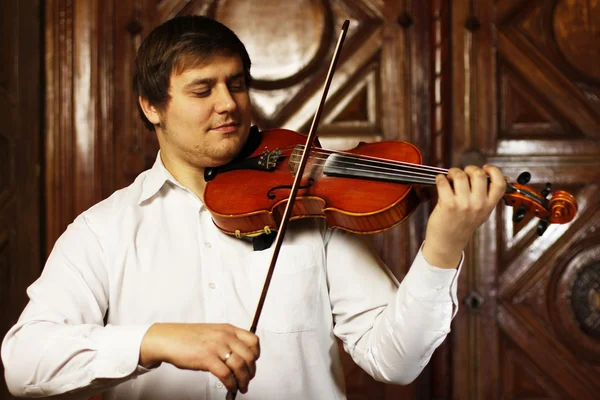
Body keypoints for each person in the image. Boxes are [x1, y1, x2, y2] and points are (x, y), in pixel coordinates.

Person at [1, 15, 506, 400]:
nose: (229, 104)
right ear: (151, 107)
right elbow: (23, 363)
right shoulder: (103, 231)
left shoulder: (305, 207)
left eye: (236, 84)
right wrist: (155, 341)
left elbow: (394, 361)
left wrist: (443, 245)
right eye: (202, 89)